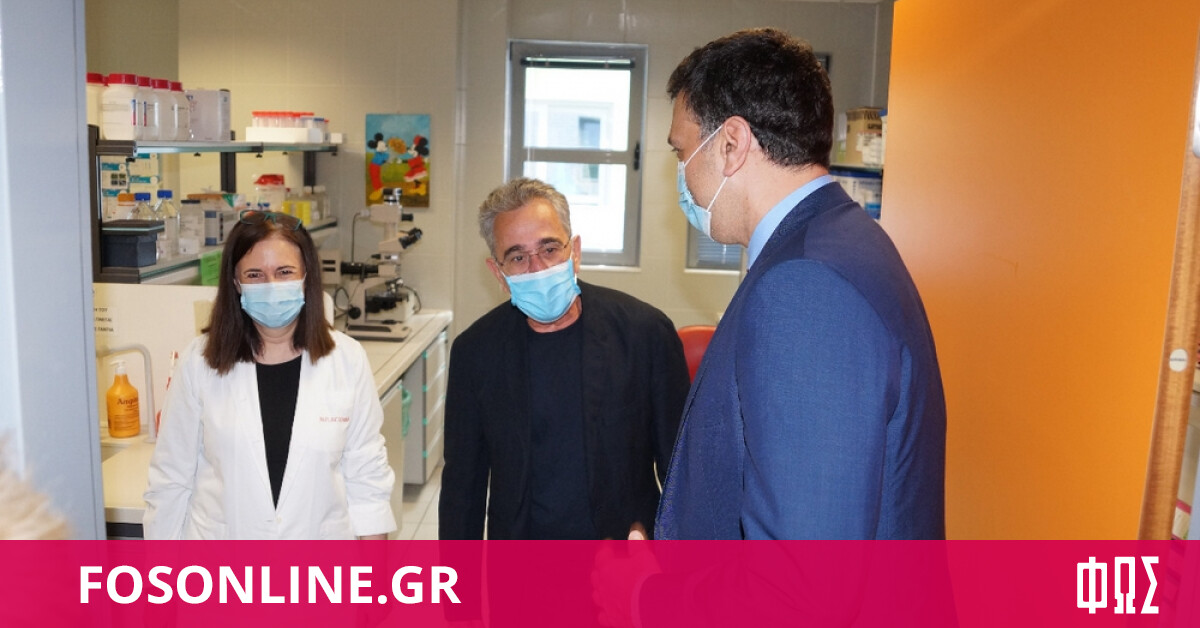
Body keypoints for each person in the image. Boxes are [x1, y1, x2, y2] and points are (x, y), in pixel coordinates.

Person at [655, 27, 947, 540]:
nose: (682, 173)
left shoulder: (806, 287)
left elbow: (804, 574)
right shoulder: (841, 238)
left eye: (682, 152)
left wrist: (652, 584)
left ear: (731, 144)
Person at [438, 177, 689, 540]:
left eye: (549, 248)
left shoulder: (644, 333)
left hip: (625, 554)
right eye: (518, 257)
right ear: (499, 273)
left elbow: (682, 471)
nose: (538, 268)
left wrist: (675, 558)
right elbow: (463, 489)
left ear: (575, 252)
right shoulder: (475, 353)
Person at [143, 209, 396, 539]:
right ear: (236, 283)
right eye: (255, 275)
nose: (271, 285)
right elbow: (170, 479)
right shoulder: (199, 361)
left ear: (306, 277)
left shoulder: (347, 359)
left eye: (284, 271)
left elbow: (367, 477)